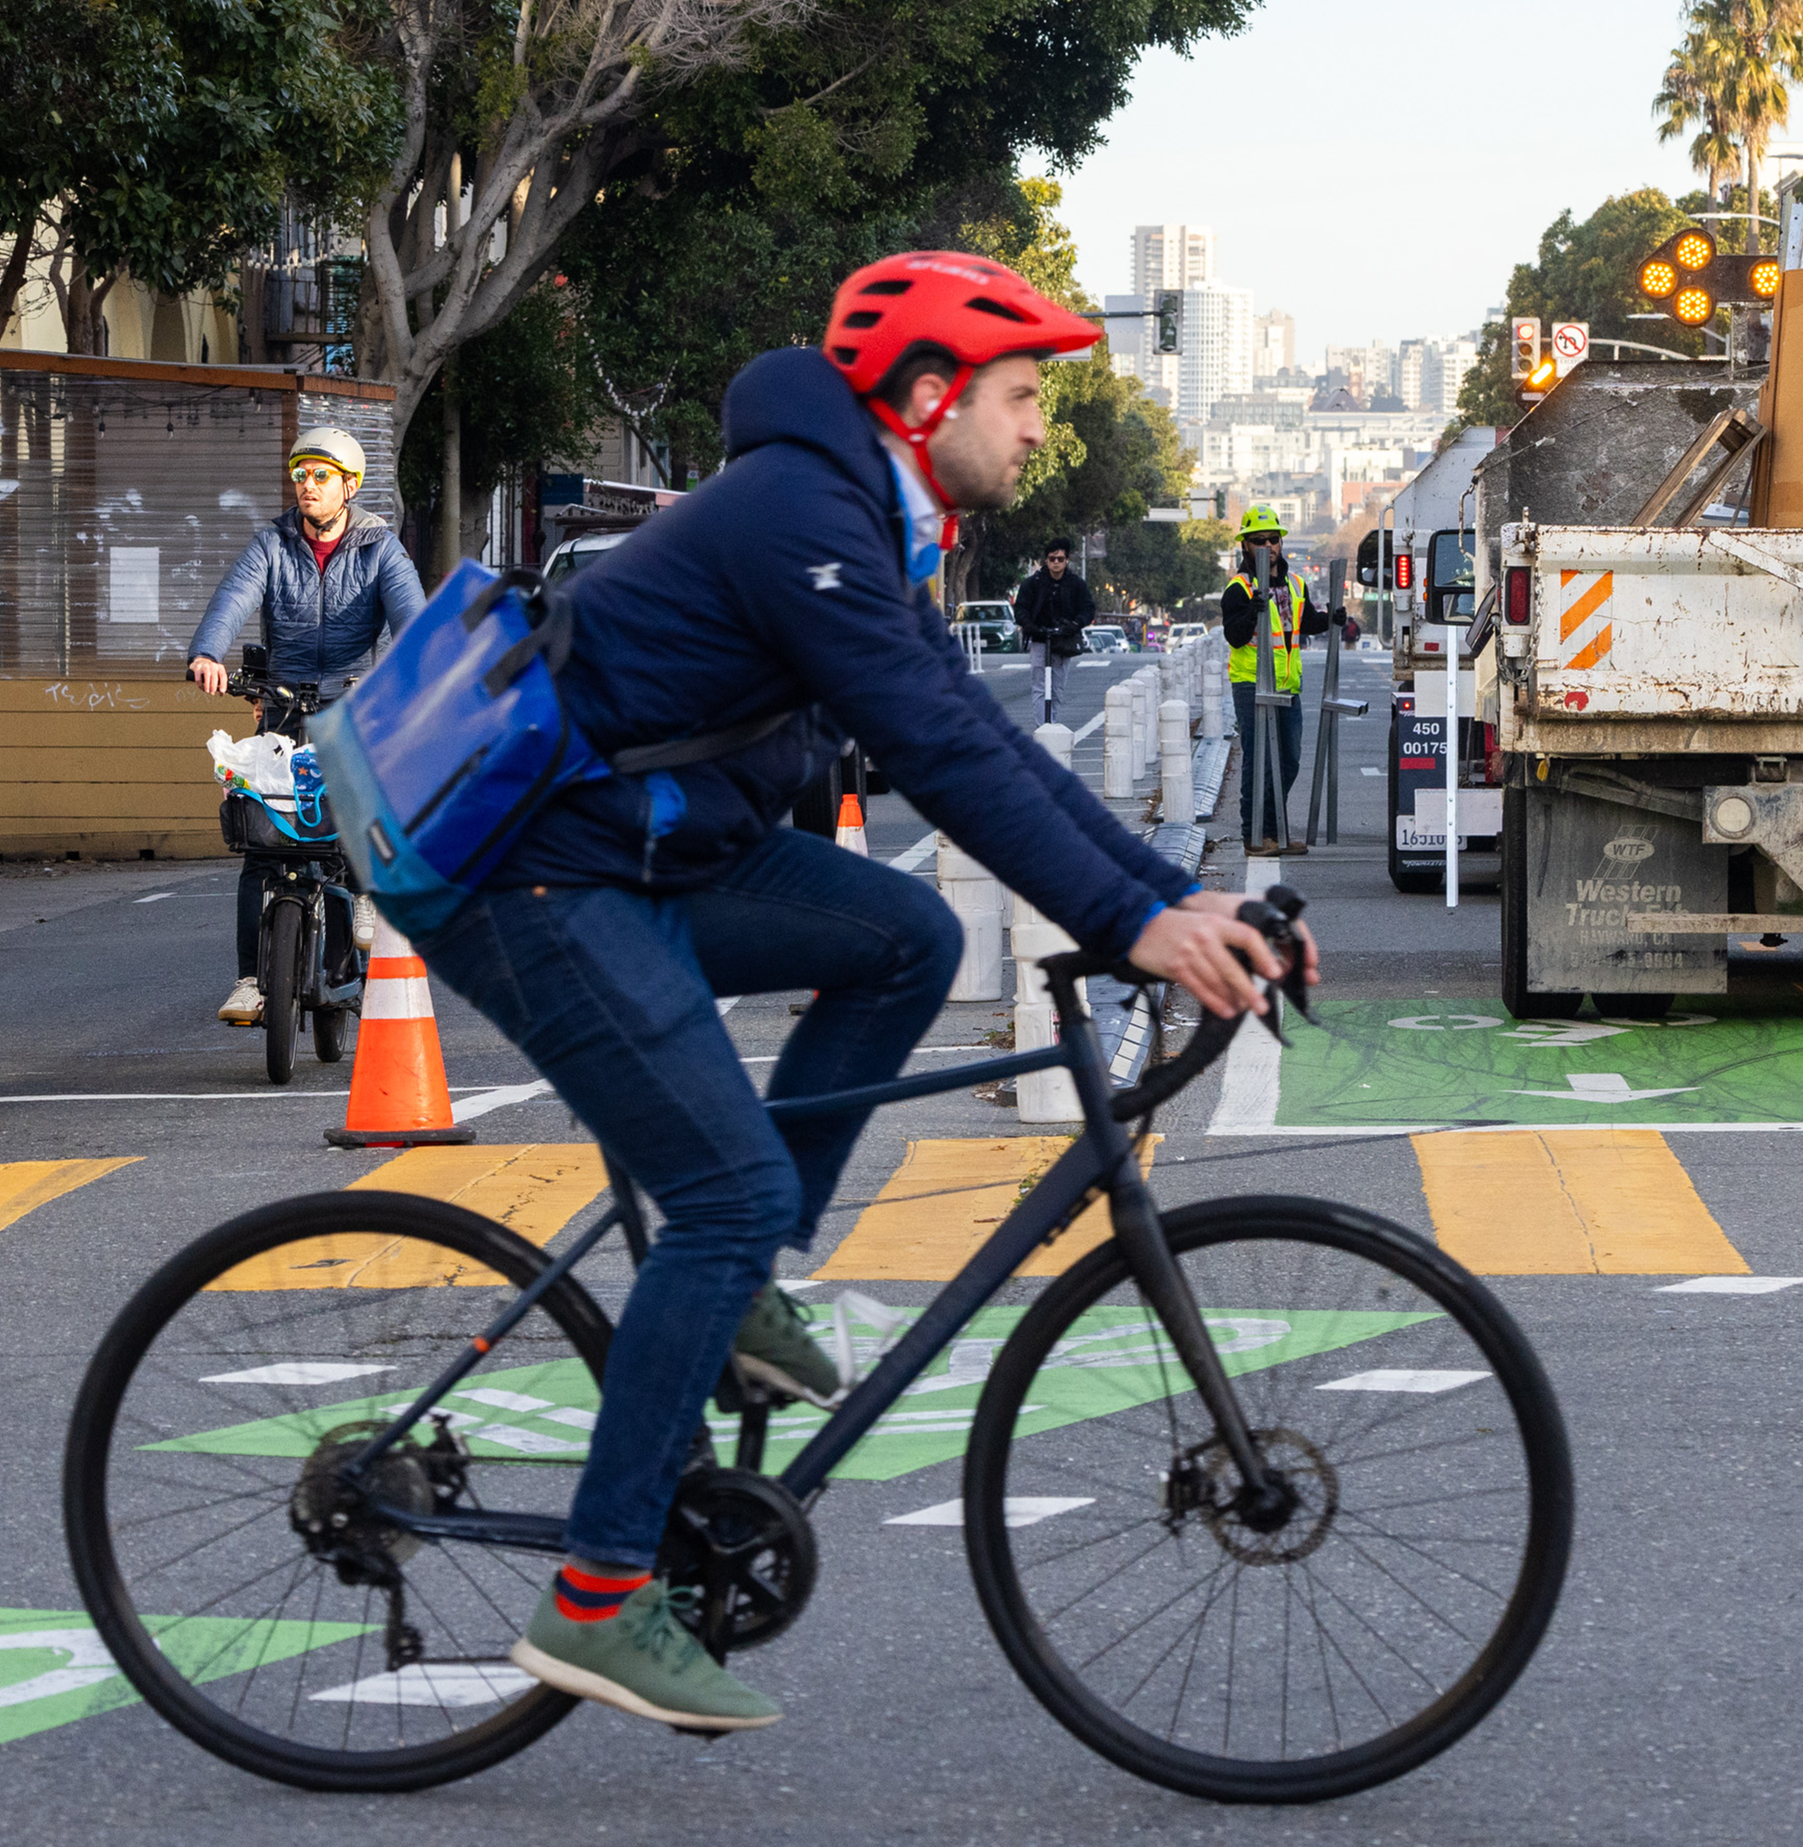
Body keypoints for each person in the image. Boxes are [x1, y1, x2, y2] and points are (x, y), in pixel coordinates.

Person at [402, 252, 1317, 1734]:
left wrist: (1165, 901)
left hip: (639, 851)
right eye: (1019, 397)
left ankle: (750, 1276)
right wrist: (1138, 925)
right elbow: (950, 763)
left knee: (904, 937)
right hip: (530, 872)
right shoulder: (800, 517)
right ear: (927, 392)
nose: (1034, 429)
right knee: (718, 1192)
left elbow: (969, 730)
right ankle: (597, 1597)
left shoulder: (867, 518)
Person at [186, 426, 425, 1024]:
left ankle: (367, 897)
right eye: (299, 475)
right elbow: (235, 595)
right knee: (262, 842)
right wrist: (208, 653)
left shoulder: (379, 548)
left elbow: (410, 617)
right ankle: (248, 981)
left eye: (320, 475)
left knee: (354, 819)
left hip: (351, 701)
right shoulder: (272, 542)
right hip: (283, 704)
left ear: (349, 485)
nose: (307, 486)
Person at [1222, 510, 1328, 854]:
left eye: (1273, 539)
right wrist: (1252, 610)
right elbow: (1235, 637)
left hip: (1287, 684)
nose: (1267, 546)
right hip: (1252, 683)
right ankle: (1255, 835)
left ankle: (1275, 829)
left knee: (1288, 759)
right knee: (1258, 760)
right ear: (1246, 545)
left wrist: (1333, 618)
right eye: (1259, 540)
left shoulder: (1295, 583)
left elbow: (1307, 622)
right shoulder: (1239, 588)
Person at [1012, 537, 1096, 723]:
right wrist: (1030, 626)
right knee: (1040, 687)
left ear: (1067, 560)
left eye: (1060, 559)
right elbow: (1021, 609)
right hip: (1039, 640)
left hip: (1064, 641)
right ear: (1046, 560)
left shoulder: (1076, 584)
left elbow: (1088, 608)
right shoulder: (1032, 583)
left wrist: (1075, 625)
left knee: (1057, 689)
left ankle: (1053, 723)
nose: (1056, 563)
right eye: (1052, 559)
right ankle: (1043, 728)